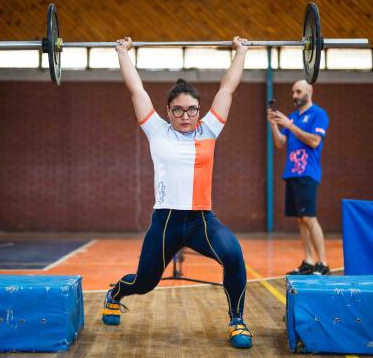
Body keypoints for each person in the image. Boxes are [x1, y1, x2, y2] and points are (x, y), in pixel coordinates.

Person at [102, 36, 253, 349]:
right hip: (166, 222)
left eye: (191, 110)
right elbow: (136, 90)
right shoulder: (157, 131)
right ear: (168, 111)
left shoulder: (209, 130)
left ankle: (237, 320)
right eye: (178, 110)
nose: (185, 116)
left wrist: (241, 52)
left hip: (201, 220)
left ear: (199, 111)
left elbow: (227, 88)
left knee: (234, 256)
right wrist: (122, 53)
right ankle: (116, 293)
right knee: (145, 283)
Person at [267, 80, 330, 276]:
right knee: (301, 220)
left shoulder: (319, 114)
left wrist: (290, 125)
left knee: (310, 217)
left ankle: (323, 263)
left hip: (308, 173)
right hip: (292, 173)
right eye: (293, 92)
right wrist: (274, 125)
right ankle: (309, 261)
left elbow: (314, 140)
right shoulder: (293, 117)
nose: (294, 95)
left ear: (309, 91)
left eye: (298, 91)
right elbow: (280, 143)